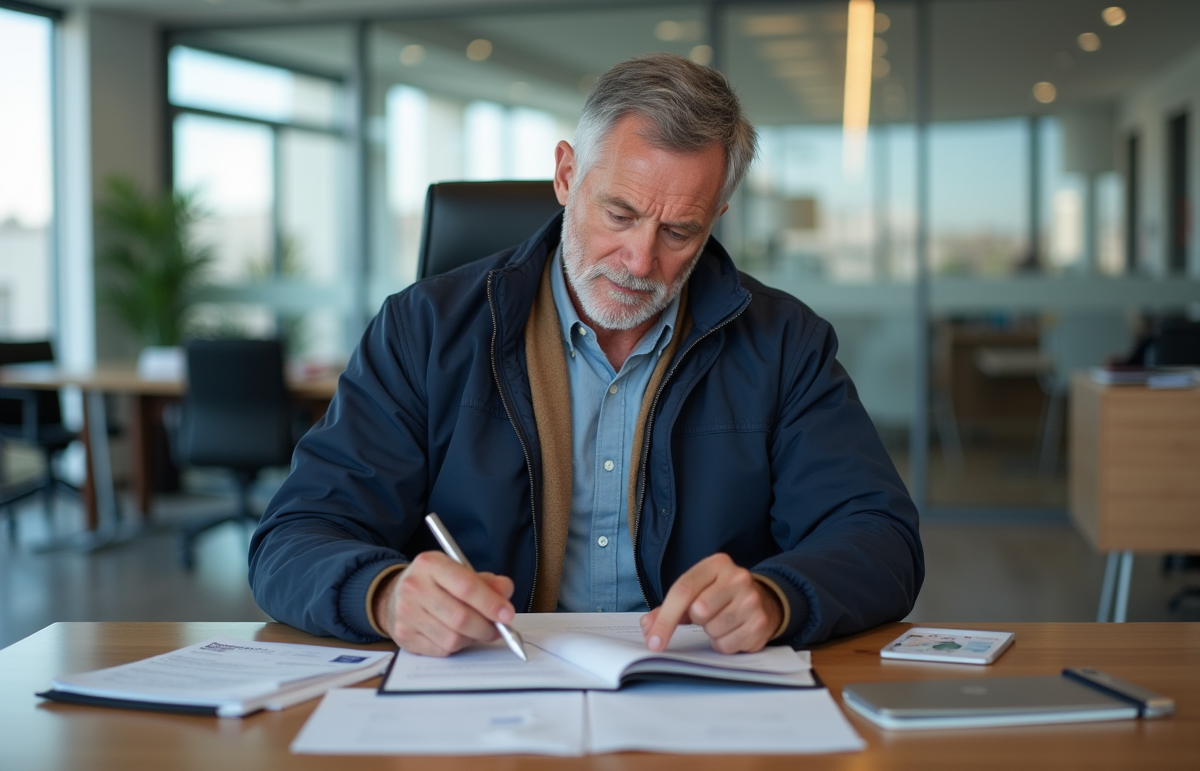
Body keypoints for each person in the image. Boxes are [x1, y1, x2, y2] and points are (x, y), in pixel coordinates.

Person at [248, 53, 923, 657]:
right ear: (567, 174)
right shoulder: (424, 329)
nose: (640, 260)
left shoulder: (785, 342)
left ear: (716, 218)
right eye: (620, 214)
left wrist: (779, 597)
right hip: (483, 682)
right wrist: (385, 594)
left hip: (697, 683)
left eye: (679, 232)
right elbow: (294, 536)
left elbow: (881, 537)